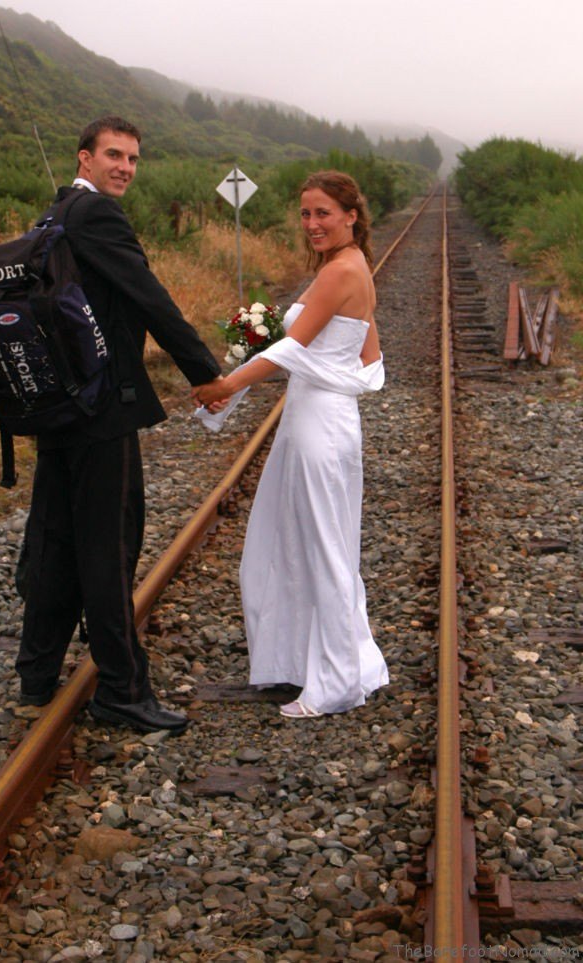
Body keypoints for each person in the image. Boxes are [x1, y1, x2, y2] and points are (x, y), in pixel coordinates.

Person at [15, 116, 223, 734]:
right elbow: (149, 296)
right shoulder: (98, 216)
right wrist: (204, 373)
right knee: (108, 546)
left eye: (133, 158)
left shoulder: (52, 216)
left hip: (57, 407)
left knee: (56, 538)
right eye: (113, 155)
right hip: (100, 410)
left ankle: (36, 672)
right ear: (84, 158)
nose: (125, 167)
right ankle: (122, 690)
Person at [193, 170, 389, 718]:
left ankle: (334, 684)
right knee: (320, 544)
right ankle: (330, 662)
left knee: (321, 548)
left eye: (323, 212)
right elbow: (368, 359)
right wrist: (331, 377)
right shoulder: (353, 268)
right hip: (329, 421)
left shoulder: (339, 272)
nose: (312, 224)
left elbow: (290, 350)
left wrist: (227, 385)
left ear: (351, 215)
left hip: (316, 428)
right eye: (305, 214)